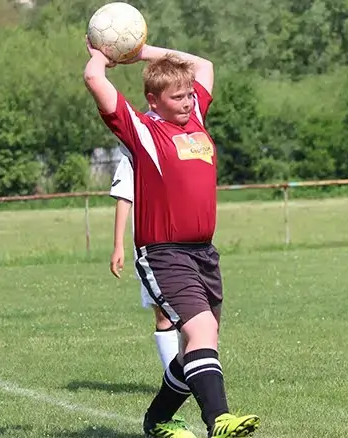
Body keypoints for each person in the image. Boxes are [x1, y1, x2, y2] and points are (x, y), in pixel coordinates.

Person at [84, 37, 260, 438]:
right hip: (164, 253)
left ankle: (159, 421)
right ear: (153, 100)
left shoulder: (195, 119)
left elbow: (204, 65)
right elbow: (94, 79)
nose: (186, 101)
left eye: (188, 95)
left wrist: (141, 51)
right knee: (202, 331)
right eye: (176, 96)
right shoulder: (142, 130)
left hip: (204, 253)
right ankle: (219, 420)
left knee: (197, 344)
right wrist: (102, 54)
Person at [108, 154, 179, 370]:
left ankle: (195, 374)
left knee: (195, 315)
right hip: (153, 248)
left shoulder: (182, 144)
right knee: (164, 315)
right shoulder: (134, 151)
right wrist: (118, 245)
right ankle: (175, 379)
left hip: (189, 244)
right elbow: (124, 196)